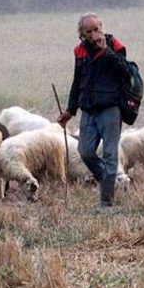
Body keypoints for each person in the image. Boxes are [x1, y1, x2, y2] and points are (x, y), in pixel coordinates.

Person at [57, 13, 130, 208]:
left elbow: (125, 71)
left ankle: (106, 202)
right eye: (88, 31)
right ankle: (108, 180)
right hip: (88, 111)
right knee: (85, 151)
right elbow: (77, 82)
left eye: (96, 29)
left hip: (111, 110)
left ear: (102, 28)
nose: (93, 34)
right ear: (81, 33)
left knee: (110, 154)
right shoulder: (79, 52)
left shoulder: (114, 45)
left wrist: (105, 50)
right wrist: (70, 111)